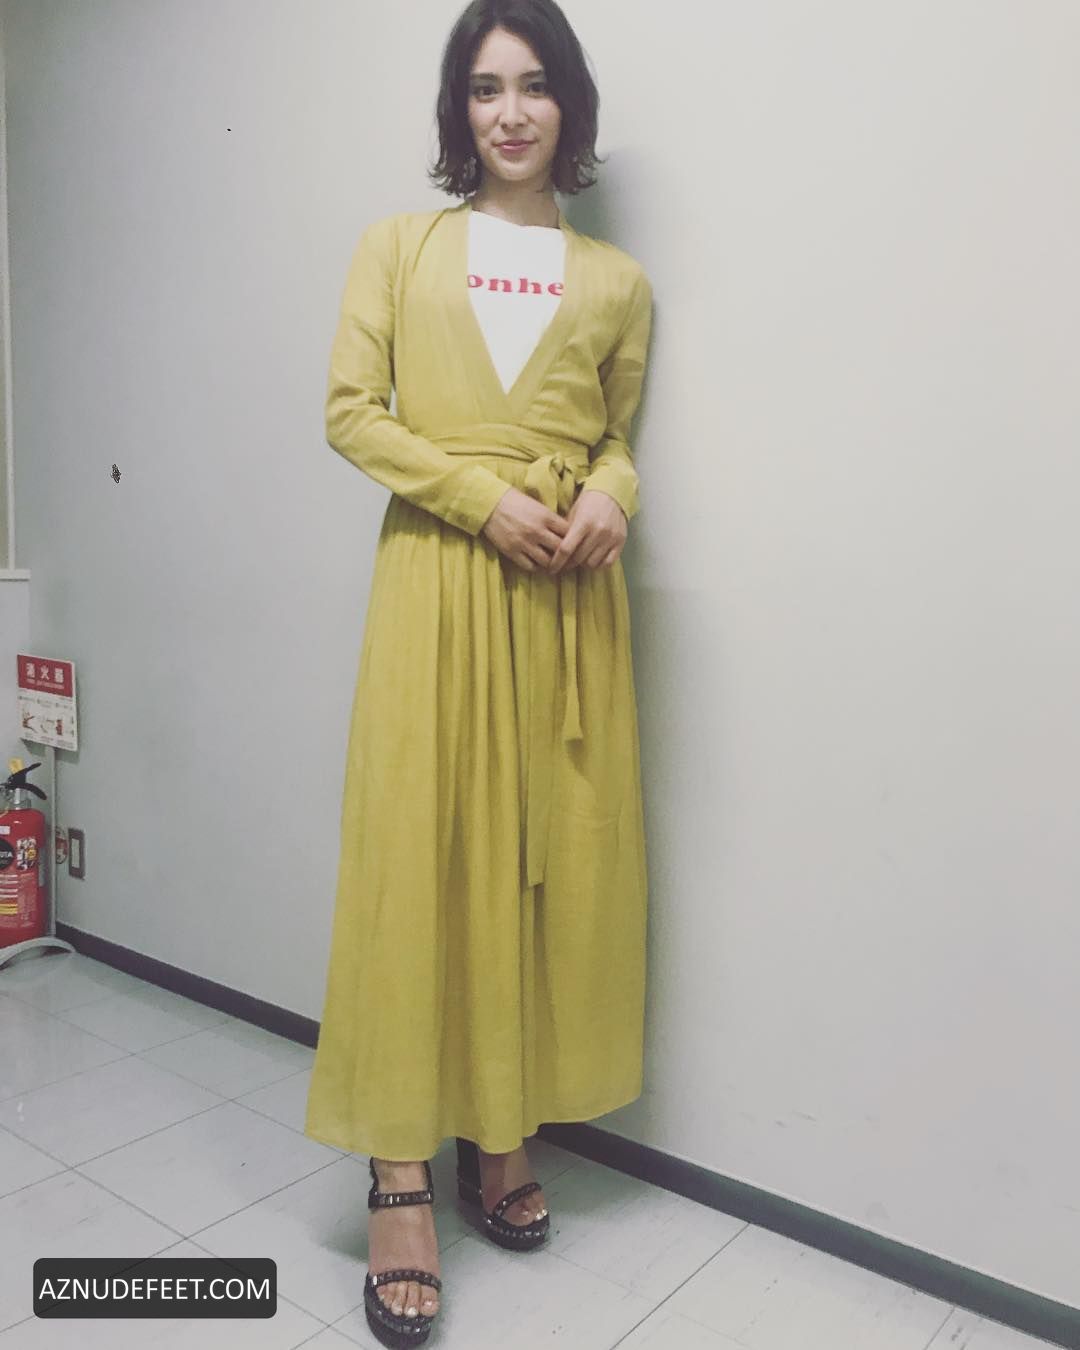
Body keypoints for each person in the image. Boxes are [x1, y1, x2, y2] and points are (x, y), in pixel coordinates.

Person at [303, 0, 654, 1342]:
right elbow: (352, 413)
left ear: (571, 106)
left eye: (536, 85)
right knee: (416, 858)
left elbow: (618, 436)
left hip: (564, 599)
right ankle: (400, 1171)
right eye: (486, 86)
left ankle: (498, 1132)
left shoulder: (618, 282)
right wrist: (476, 498)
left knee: (535, 863)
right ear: (459, 108)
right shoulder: (398, 248)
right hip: (438, 581)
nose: (511, 111)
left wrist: (613, 494)